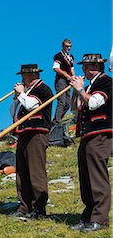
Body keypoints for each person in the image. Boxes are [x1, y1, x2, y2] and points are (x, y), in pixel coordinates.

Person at [69, 53, 112, 232]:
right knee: (86, 178)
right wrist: (75, 90)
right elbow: (74, 109)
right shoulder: (89, 86)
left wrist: (80, 90)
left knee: (97, 178)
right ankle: (88, 216)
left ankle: (100, 219)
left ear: (95, 68)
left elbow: (94, 103)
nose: (84, 71)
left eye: (87, 67)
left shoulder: (106, 82)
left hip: (100, 134)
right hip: (88, 135)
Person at [9, 64, 53, 219]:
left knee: (36, 172)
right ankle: (24, 206)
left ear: (32, 76)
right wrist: (17, 97)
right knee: (22, 172)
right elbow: (13, 112)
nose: (21, 78)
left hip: (37, 133)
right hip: (24, 133)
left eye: (24, 75)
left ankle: (39, 208)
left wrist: (21, 94)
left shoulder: (43, 89)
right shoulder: (26, 92)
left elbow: (31, 106)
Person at [52, 39, 75, 125]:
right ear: (62, 46)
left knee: (67, 103)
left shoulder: (71, 57)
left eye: (70, 46)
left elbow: (72, 68)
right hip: (61, 80)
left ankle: (58, 119)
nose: (68, 48)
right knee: (61, 101)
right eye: (67, 46)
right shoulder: (58, 56)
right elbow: (56, 68)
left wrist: (73, 77)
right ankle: (57, 122)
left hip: (68, 81)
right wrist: (66, 76)